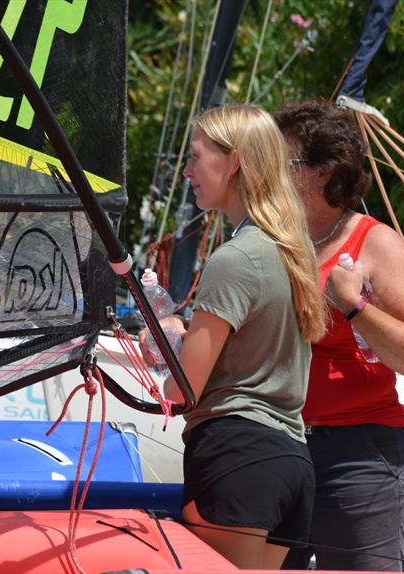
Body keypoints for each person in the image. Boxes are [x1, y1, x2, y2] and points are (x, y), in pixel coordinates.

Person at [142, 104, 327, 569]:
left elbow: (182, 392)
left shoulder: (235, 258)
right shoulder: (293, 253)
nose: (187, 172)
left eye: (196, 157)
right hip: (292, 464)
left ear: (236, 160)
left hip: (237, 457)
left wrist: (162, 352)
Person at [274, 100, 404, 571]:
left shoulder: (375, 242)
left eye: (282, 161)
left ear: (323, 172)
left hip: (359, 456)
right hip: (283, 445)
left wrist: (355, 307)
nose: (269, 171)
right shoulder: (278, 240)